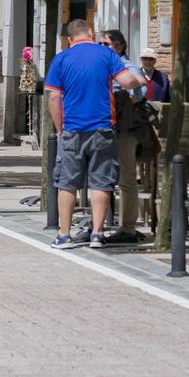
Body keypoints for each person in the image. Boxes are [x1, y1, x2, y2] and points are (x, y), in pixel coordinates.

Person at [44, 20, 148, 250]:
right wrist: (139, 80)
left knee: (67, 183)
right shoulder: (106, 55)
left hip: (72, 128)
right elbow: (127, 81)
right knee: (101, 182)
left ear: (70, 39)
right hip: (103, 128)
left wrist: (60, 128)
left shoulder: (61, 59)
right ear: (90, 33)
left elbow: (53, 97)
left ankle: (64, 235)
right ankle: (98, 234)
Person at [98, 30, 149, 245]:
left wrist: (121, 97)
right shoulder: (104, 65)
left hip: (125, 130)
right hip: (105, 128)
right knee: (101, 177)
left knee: (126, 179)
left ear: (119, 46)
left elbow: (141, 91)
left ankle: (128, 228)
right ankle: (98, 226)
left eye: (106, 44)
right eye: (100, 44)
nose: (102, 47)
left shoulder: (126, 67)